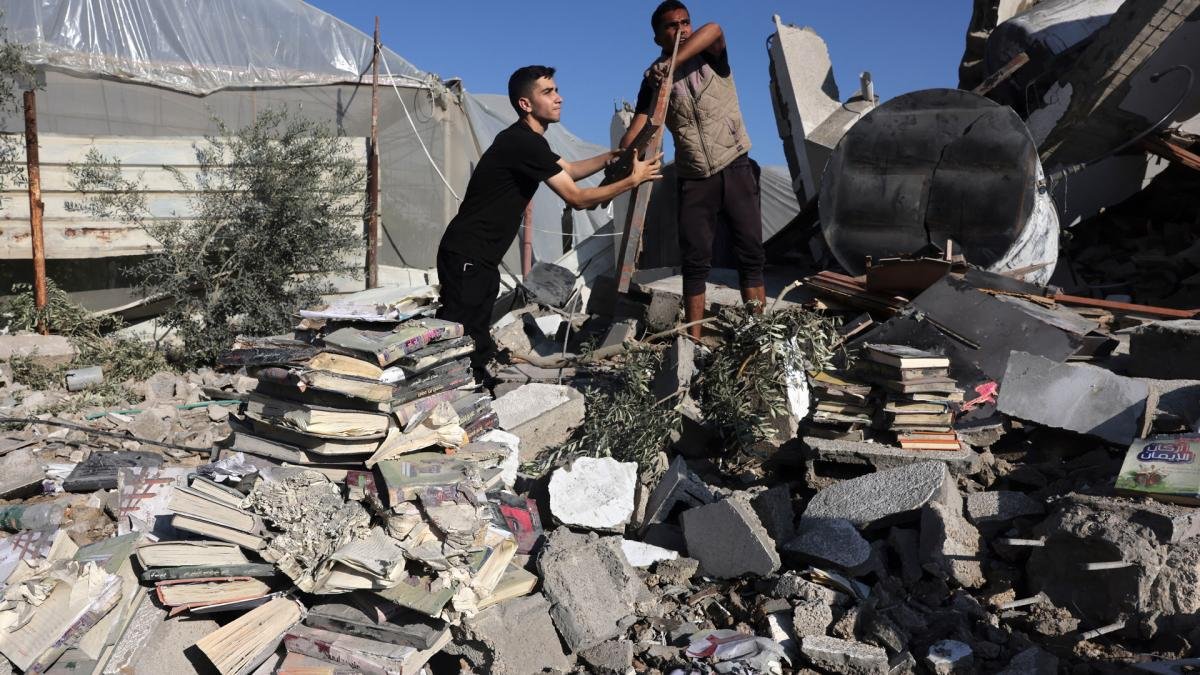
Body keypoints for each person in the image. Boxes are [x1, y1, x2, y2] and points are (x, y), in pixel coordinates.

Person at [437, 65, 662, 380]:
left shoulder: (529, 142)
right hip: (467, 255)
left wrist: (612, 157)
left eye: (556, 90)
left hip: (478, 256)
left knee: (473, 335)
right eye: (548, 92)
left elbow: (568, 168)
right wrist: (633, 180)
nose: (559, 98)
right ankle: (446, 397)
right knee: (459, 339)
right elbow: (576, 197)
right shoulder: (522, 143)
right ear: (525, 104)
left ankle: (472, 390)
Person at [620, 0, 766, 340]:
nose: (682, 29)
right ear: (657, 37)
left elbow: (714, 29)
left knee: (750, 254)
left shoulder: (709, 54)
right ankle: (694, 340)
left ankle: (759, 334)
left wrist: (671, 65)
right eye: (672, 26)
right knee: (695, 261)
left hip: (735, 163)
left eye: (685, 22)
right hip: (694, 176)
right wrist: (618, 162)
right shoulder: (652, 82)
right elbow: (637, 132)